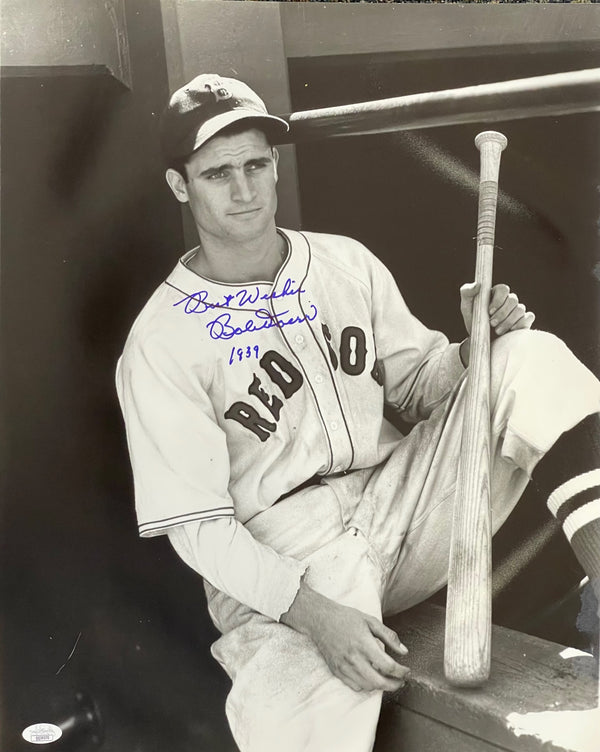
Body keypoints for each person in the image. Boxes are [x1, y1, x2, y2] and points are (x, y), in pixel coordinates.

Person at [116, 74, 600, 752]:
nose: (245, 189)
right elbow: (197, 528)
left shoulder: (345, 264)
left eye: (256, 165)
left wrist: (474, 351)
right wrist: (314, 614)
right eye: (218, 173)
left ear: (274, 165)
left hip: (396, 503)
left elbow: (420, 388)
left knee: (528, 356)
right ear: (179, 185)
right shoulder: (162, 339)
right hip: (282, 558)